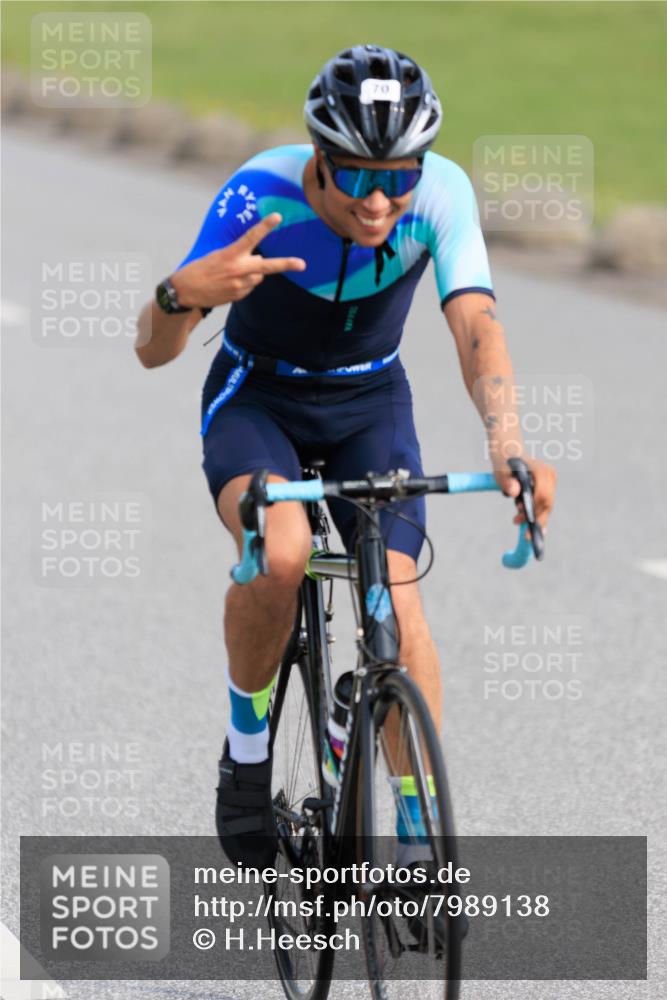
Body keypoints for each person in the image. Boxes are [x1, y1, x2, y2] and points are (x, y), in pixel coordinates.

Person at [135, 44, 556, 870]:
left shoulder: (438, 194)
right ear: (318, 161)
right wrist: (181, 294)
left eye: (398, 175)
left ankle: (413, 831)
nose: (379, 198)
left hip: (369, 401)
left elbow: (477, 327)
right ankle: (246, 761)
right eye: (357, 175)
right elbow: (153, 352)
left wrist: (509, 447)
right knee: (282, 552)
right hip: (258, 399)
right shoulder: (260, 193)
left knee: (398, 611)